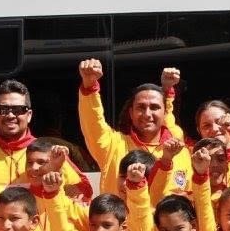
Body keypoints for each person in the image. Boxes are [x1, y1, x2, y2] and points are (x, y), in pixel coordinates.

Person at [79, 58, 192, 197]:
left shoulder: (180, 153)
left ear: (165, 113)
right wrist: (90, 86)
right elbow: (92, 122)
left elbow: (191, 197)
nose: (147, 114)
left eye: (154, 107)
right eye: (141, 107)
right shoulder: (113, 145)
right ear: (131, 113)